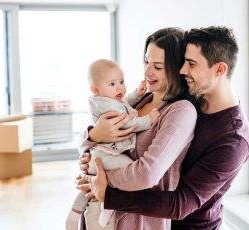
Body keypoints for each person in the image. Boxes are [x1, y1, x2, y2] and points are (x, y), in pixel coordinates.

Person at [78, 26, 249, 229]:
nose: (183, 70)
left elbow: (180, 203)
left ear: (220, 70)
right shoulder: (163, 98)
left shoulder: (233, 137)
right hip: (127, 214)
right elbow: (110, 134)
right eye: (146, 61)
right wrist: (92, 137)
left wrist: (104, 186)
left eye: (191, 64)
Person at [76, 27, 198, 229]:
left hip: (138, 220)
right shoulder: (138, 101)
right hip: (101, 210)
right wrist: (92, 135)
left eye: (157, 66)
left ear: (177, 69)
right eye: (146, 61)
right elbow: (89, 138)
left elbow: (147, 174)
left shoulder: (180, 111)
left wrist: (99, 181)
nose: (147, 71)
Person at [65, 59, 161, 230]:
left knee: (91, 188)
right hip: (104, 155)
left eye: (121, 82)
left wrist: (137, 95)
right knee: (131, 168)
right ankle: (104, 208)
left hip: (103, 153)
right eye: (112, 84)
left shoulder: (110, 99)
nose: (120, 88)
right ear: (96, 89)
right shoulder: (104, 104)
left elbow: (124, 103)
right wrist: (148, 120)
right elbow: (126, 122)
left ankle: (75, 212)